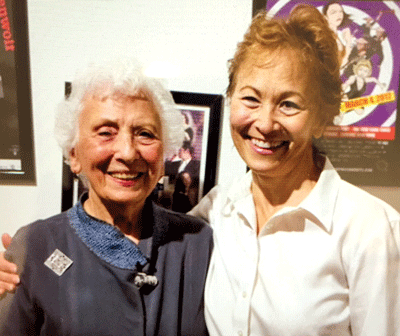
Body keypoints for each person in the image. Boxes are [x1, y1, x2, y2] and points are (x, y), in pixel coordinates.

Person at [1, 4, 400, 336]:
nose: (265, 122)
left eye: (290, 104)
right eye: (250, 98)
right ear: (73, 153)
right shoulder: (216, 214)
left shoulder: (369, 229)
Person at [0, 59, 212, 335]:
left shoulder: (200, 244)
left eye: (145, 134)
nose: (127, 152)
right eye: (106, 132)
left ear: (163, 158)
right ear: (74, 155)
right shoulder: (35, 246)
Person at [322, 0, 354, 71]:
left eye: (341, 11)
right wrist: (348, 43)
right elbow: (337, 68)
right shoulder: (325, 37)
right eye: (333, 12)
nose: (339, 15)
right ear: (325, 17)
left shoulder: (338, 35)